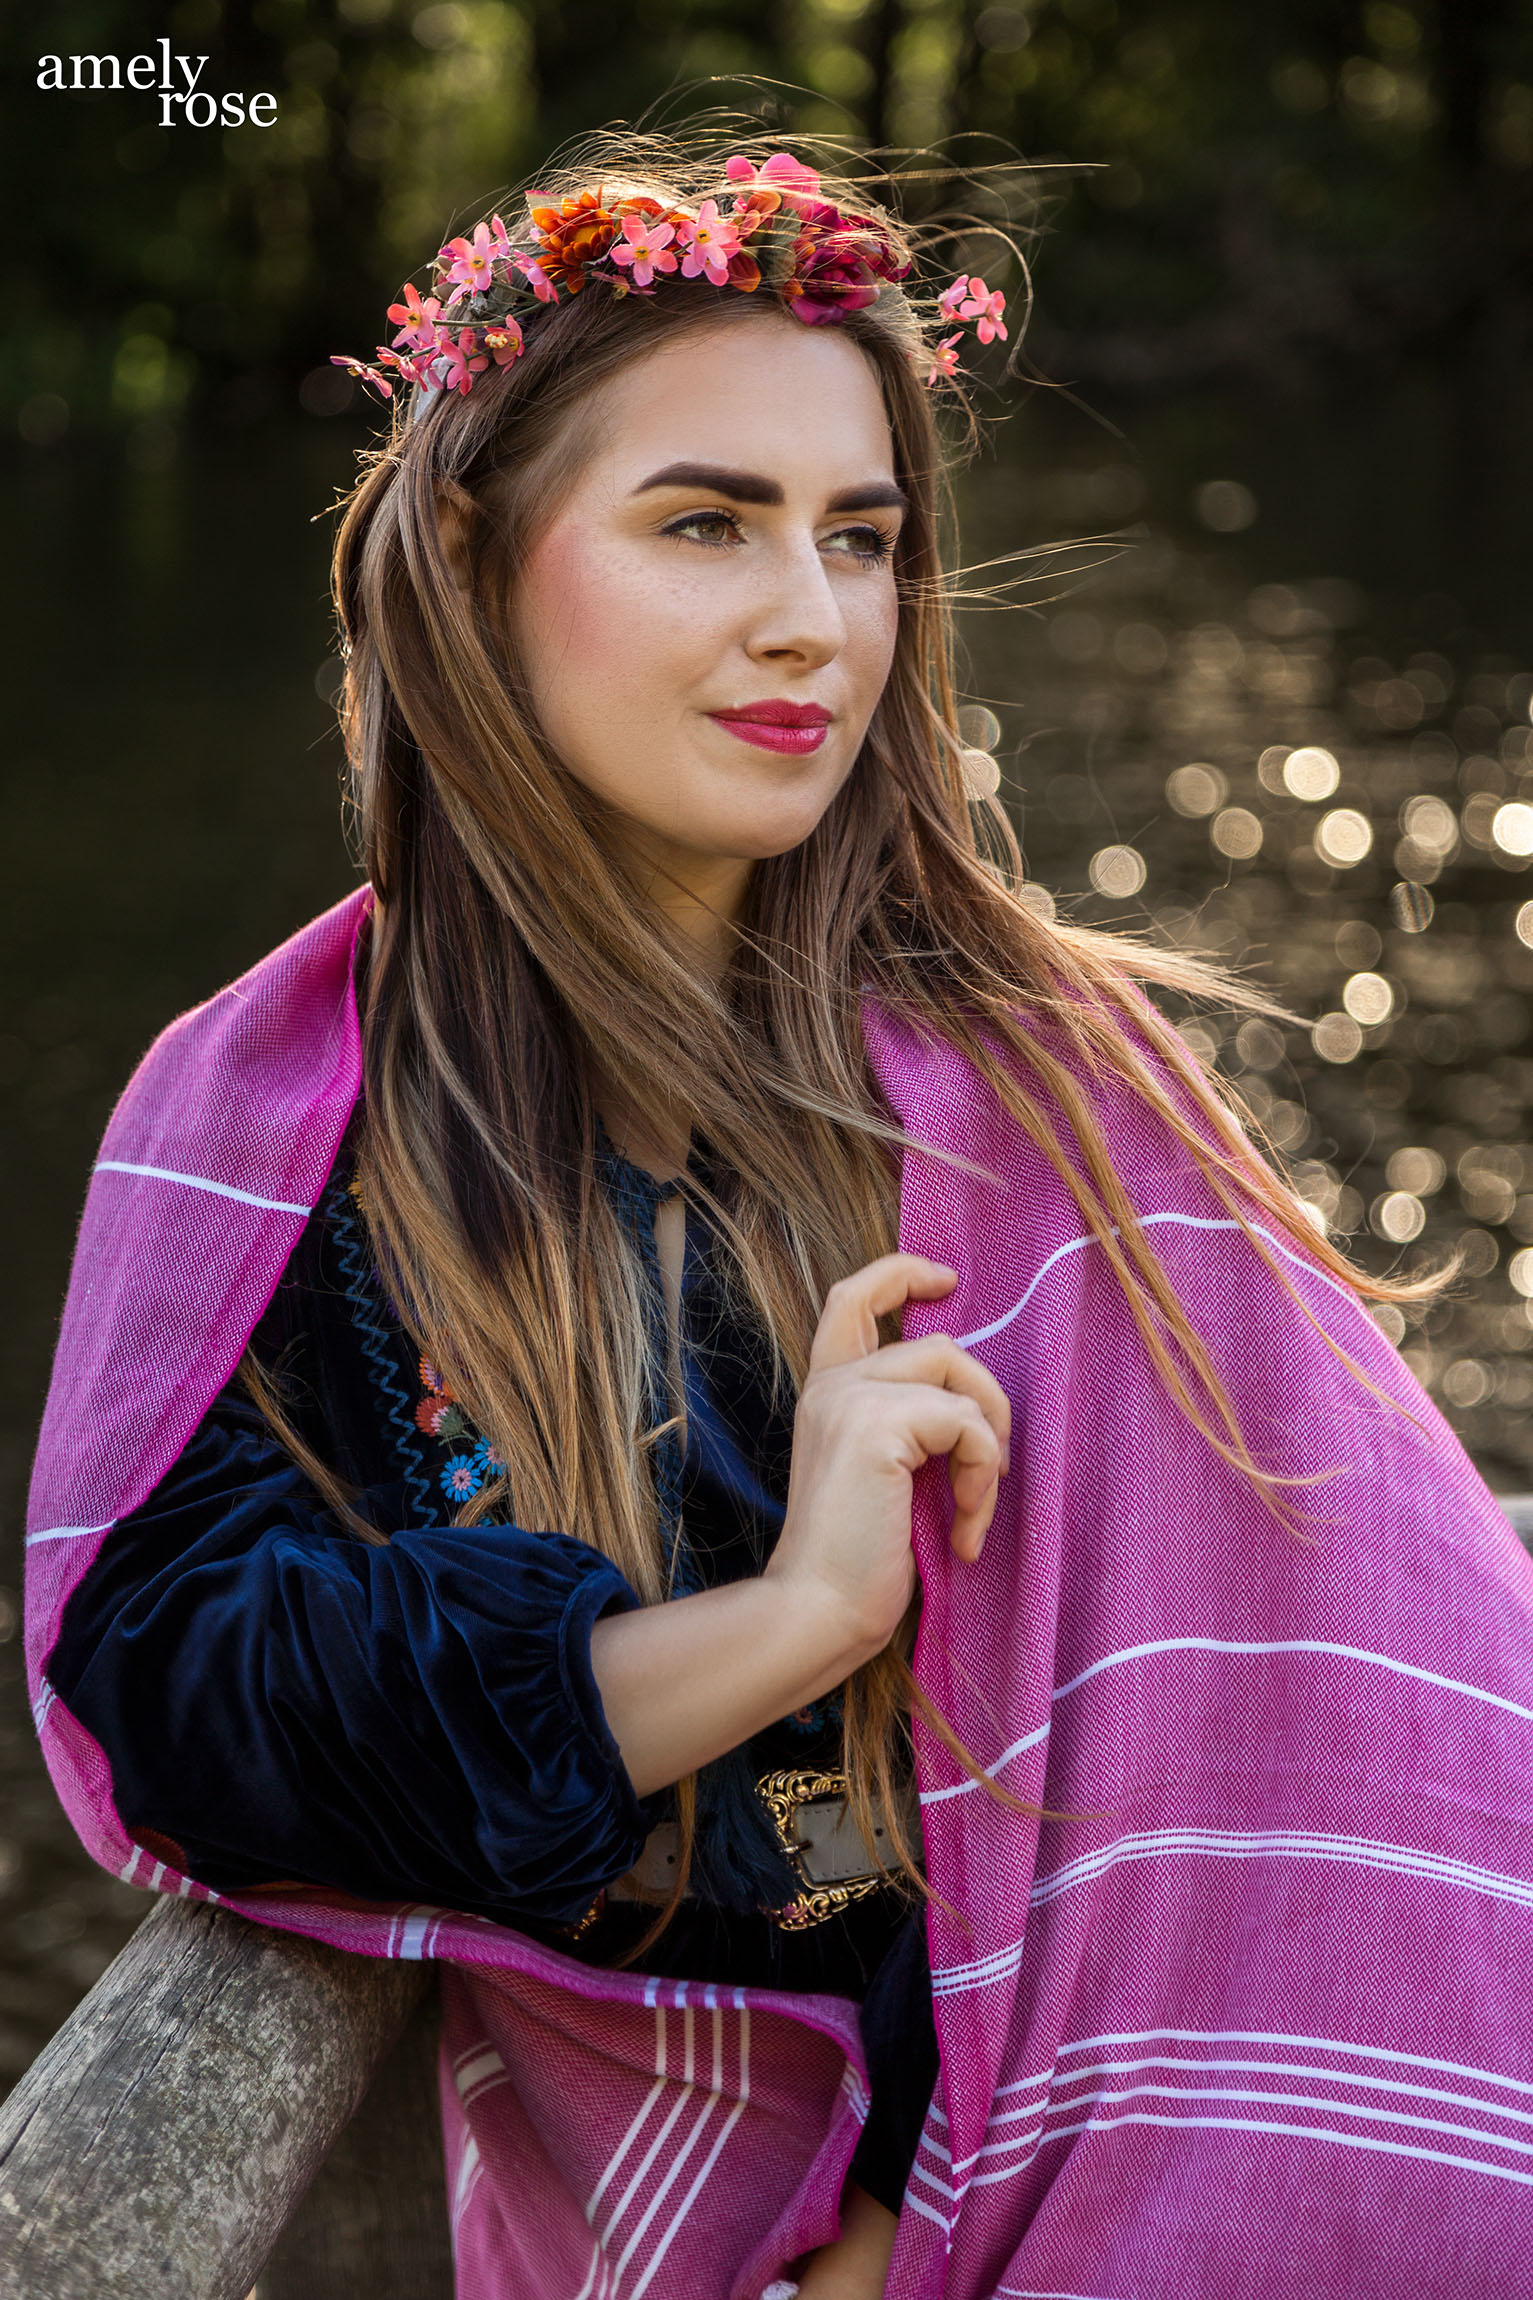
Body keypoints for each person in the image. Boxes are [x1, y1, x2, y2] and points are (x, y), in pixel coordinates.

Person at [26, 130, 1533, 2300]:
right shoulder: (284, 1126)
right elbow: (188, 1691)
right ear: (470, 554)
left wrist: (883, 2202)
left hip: (1121, 2200)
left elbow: (1326, 1742)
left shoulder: (1048, 1095)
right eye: (701, 523)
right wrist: (793, 1615)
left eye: (858, 537)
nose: (806, 623)